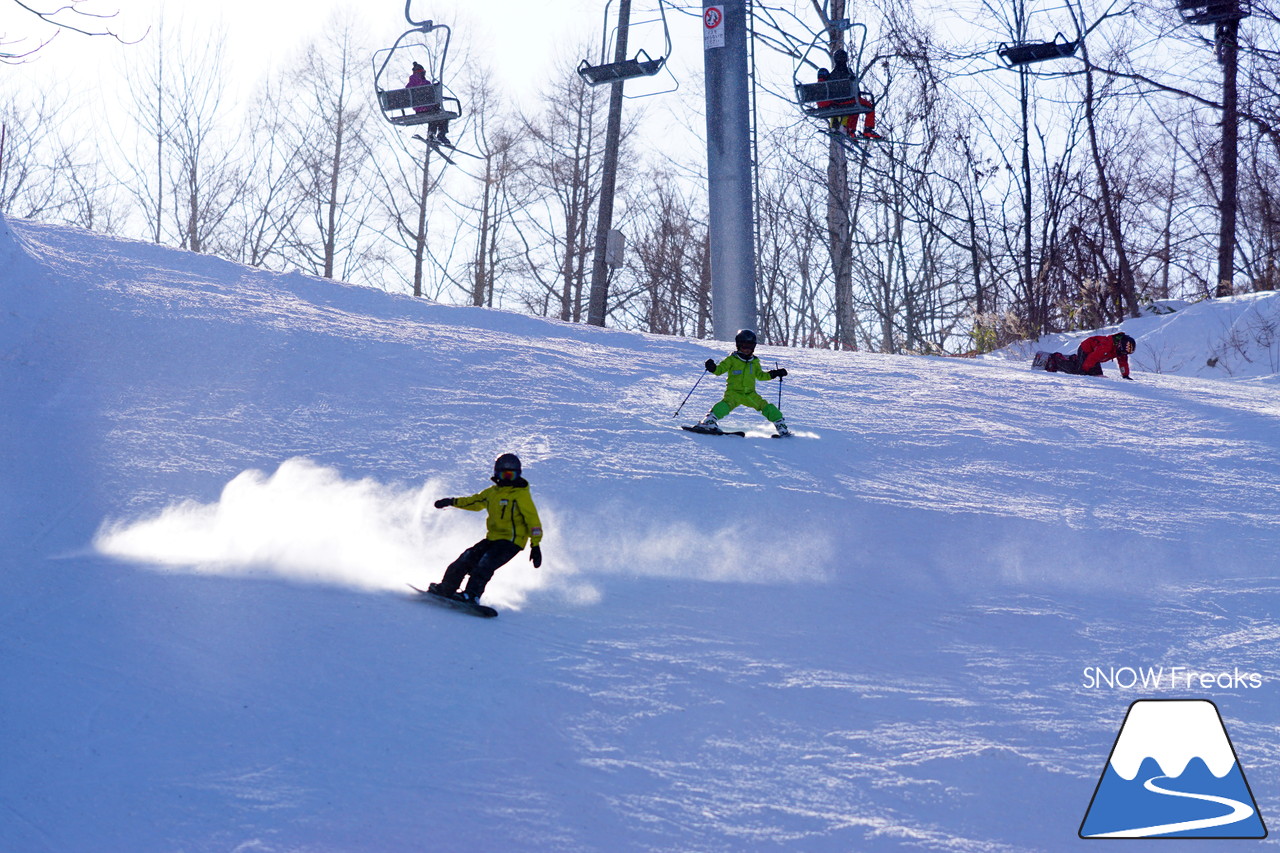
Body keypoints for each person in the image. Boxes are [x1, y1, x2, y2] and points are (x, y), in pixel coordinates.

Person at [428, 453, 543, 604]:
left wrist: (535, 545)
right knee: (465, 558)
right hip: (492, 538)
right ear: (497, 474)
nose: (508, 479)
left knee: (484, 565)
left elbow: (533, 521)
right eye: (504, 475)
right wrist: (451, 501)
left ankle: (471, 595)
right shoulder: (491, 493)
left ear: (518, 475)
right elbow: (474, 502)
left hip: (512, 541)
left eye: (512, 475)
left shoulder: (521, 496)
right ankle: (447, 588)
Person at [694, 329, 793, 436]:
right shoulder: (732, 359)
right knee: (725, 405)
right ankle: (708, 422)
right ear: (738, 345)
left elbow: (760, 376)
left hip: (750, 394)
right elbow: (719, 370)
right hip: (734, 393)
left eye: (750, 347)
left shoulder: (754, 362)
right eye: (744, 346)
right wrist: (712, 368)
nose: (747, 349)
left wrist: (774, 373)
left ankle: (781, 426)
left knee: (765, 406)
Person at [828, 48, 879, 140]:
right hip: (850, 100)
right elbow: (856, 88)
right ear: (846, 59)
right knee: (868, 106)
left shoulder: (831, 75)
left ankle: (850, 131)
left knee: (854, 107)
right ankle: (867, 129)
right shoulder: (848, 72)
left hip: (836, 103)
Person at [1045, 332, 1136, 379]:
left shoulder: (1120, 351)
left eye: (1127, 352)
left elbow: (1123, 362)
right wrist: (1084, 369)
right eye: (1126, 349)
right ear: (1120, 345)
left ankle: (1074, 359)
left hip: (1095, 356)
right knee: (1078, 371)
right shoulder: (1106, 346)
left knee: (1097, 376)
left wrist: (1125, 375)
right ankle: (1055, 360)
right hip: (1086, 349)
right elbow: (1093, 357)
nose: (1124, 354)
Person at [407, 61, 451, 145]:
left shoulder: (409, 85)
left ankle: (432, 134)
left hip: (419, 110)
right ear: (421, 72)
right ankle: (440, 134)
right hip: (428, 108)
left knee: (435, 113)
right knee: (439, 114)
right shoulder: (425, 83)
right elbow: (432, 96)